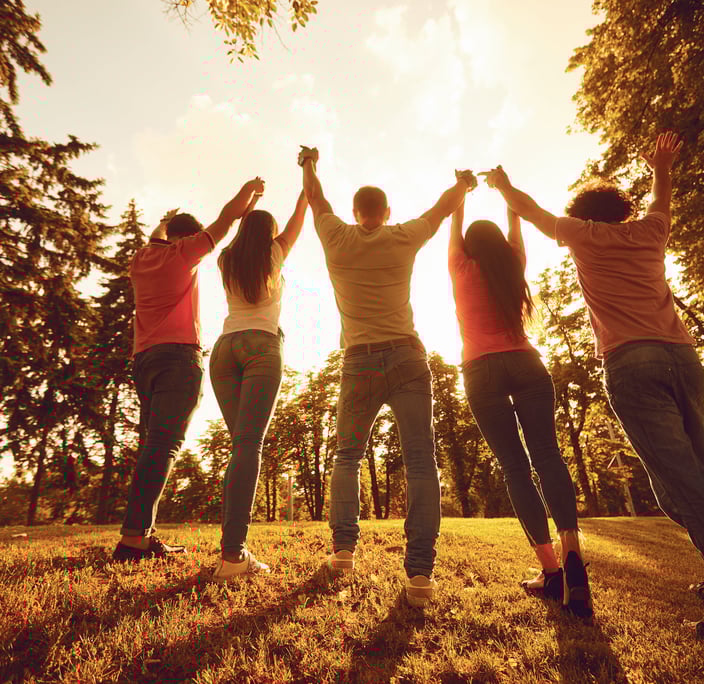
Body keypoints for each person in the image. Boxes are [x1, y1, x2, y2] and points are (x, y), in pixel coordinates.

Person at [483, 132, 704, 652]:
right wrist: (661, 166)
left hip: (632, 365)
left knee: (690, 487)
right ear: (624, 209)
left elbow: (530, 209)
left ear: (585, 213)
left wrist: (502, 185)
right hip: (682, 360)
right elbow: (661, 201)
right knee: (682, 486)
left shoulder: (582, 234)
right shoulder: (651, 231)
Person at [298, 145, 474, 606]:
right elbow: (439, 211)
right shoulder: (402, 236)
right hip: (407, 359)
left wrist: (310, 164)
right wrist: (462, 184)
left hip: (358, 361)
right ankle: (419, 576)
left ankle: (342, 552)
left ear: (356, 213)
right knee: (421, 461)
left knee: (347, 455)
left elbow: (317, 200)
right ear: (386, 211)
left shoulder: (336, 237)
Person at [447, 185, 592, 617]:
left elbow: (453, 227)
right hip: (526, 362)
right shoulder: (513, 264)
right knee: (548, 455)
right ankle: (572, 550)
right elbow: (515, 225)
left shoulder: (459, 266)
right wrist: (504, 191)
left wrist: (462, 192)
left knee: (515, 467)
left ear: (471, 246)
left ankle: (551, 573)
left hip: (480, 369)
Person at [113, 178, 265, 562]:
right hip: (178, 360)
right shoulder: (184, 253)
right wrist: (250, 194)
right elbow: (225, 219)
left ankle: (141, 534)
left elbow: (157, 234)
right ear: (190, 237)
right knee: (163, 446)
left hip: (144, 361)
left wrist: (165, 222)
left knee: (152, 446)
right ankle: (133, 539)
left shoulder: (142, 258)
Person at [209, 187, 309, 582]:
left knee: (240, 449)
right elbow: (298, 219)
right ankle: (233, 556)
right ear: (269, 233)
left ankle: (233, 552)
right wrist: (305, 189)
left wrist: (248, 205)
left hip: (224, 350)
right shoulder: (275, 253)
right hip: (261, 347)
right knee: (247, 448)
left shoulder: (225, 258)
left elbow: (234, 224)